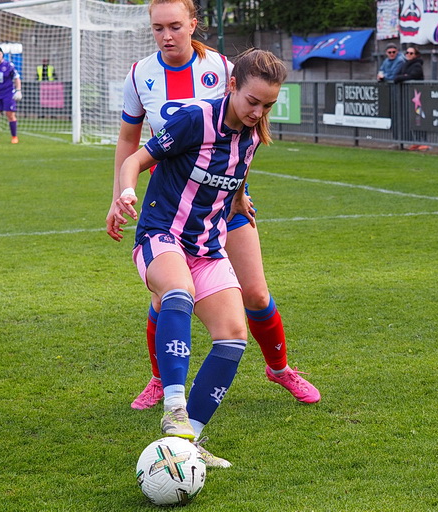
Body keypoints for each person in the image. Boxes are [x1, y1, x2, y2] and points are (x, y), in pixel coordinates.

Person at [107, 0, 320, 413]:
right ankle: (161, 381)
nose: (166, 35)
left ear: (193, 24)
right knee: (168, 295)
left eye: (174, 26)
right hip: (171, 204)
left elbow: (241, 142)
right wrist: (119, 192)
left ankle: (279, 369)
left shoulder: (229, 68)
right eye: (157, 28)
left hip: (223, 202)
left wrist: (239, 193)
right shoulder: (141, 74)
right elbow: (130, 143)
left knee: (255, 293)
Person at [109, 48, 288, 468]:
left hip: (208, 246)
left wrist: (239, 198)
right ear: (231, 86)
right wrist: (126, 192)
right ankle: (173, 407)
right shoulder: (194, 120)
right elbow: (137, 157)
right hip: (161, 233)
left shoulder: (255, 133)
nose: (258, 111)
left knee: (233, 335)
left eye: (268, 105)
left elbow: (238, 170)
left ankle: (189, 440)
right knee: (178, 292)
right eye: (252, 101)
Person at [394, 45, 428, 151]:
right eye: (407, 53)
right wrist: (402, 77)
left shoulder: (417, 65)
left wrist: (403, 77)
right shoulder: (404, 64)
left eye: (411, 53)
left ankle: (424, 142)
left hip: (418, 96)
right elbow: (396, 76)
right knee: (412, 120)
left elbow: (412, 76)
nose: (408, 55)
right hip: (409, 96)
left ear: (416, 55)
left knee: (419, 118)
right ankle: (416, 142)